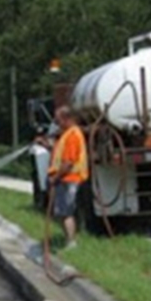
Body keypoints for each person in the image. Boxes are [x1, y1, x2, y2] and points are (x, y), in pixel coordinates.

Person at [48, 106, 89, 248]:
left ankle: (71, 242)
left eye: (58, 120)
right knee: (62, 212)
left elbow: (68, 163)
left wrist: (55, 178)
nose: (57, 123)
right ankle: (68, 240)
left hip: (69, 179)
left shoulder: (72, 136)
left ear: (66, 119)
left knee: (66, 213)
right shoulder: (68, 133)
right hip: (65, 179)